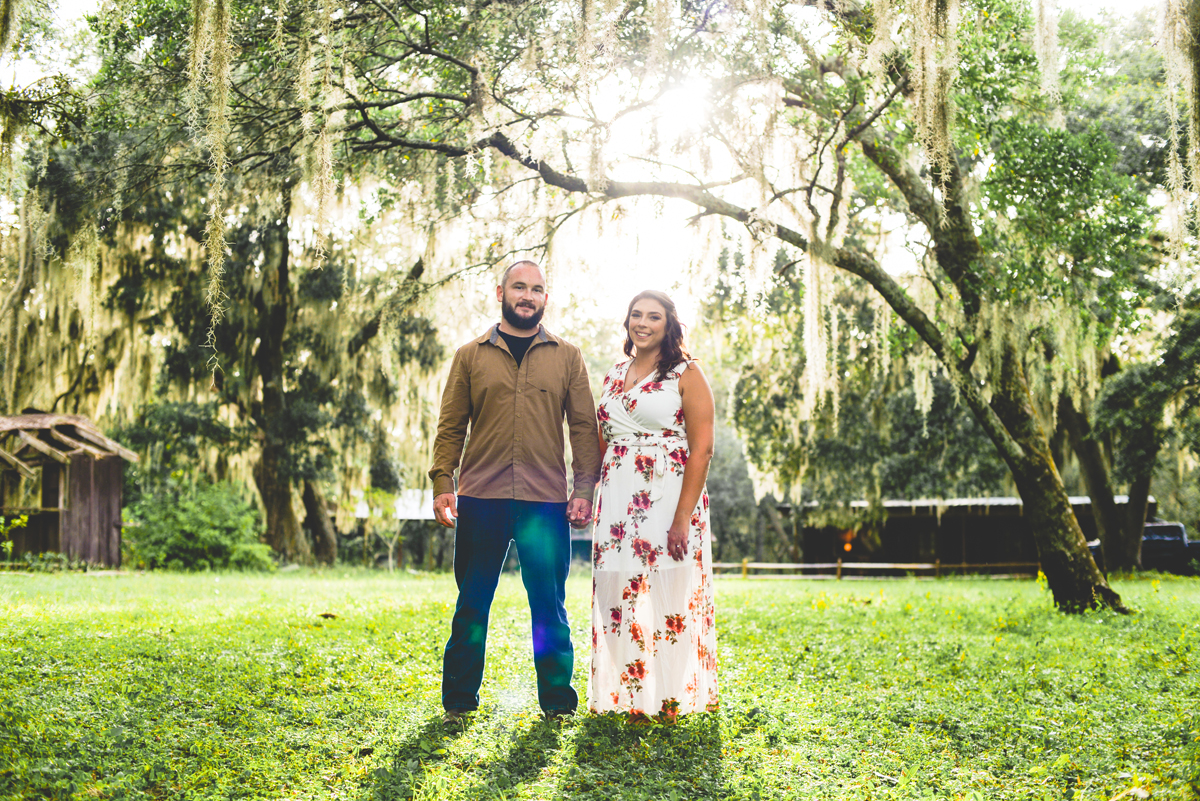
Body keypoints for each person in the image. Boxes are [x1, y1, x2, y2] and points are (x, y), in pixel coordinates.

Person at [430, 260, 601, 724]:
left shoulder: (568, 356)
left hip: (545, 503)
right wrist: (443, 481)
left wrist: (584, 487)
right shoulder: (470, 355)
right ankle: (459, 702)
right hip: (480, 498)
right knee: (471, 604)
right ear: (501, 291)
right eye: (519, 287)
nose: (527, 295)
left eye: (537, 289)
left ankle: (557, 705)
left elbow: (585, 427)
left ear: (546, 297)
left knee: (549, 605)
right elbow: (451, 426)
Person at [589, 289, 718, 722]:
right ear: (627, 322)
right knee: (614, 596)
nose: (642, 323)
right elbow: (602, 440)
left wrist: (683, 517)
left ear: (669, 324)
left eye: (653, 317)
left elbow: (701, 450)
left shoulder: (687, 372)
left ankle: (668, 701)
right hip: (616, 501)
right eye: (636, 315)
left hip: (669, 499)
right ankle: (632, 697)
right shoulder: (612, 374)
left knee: (670, 602)